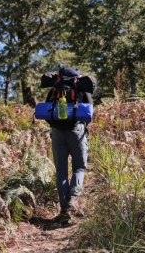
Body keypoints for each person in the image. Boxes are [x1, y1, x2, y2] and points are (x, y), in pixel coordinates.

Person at [41, 67, 93, 224]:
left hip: (57, 132)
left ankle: (63, 210)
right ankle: (73, 202)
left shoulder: (55, 88)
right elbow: (89, 112)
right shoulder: (81, 88)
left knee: (61, 171)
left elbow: (47, 111)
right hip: (77, 130)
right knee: (79, 168)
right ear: (77, 77)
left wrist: (56, 125)